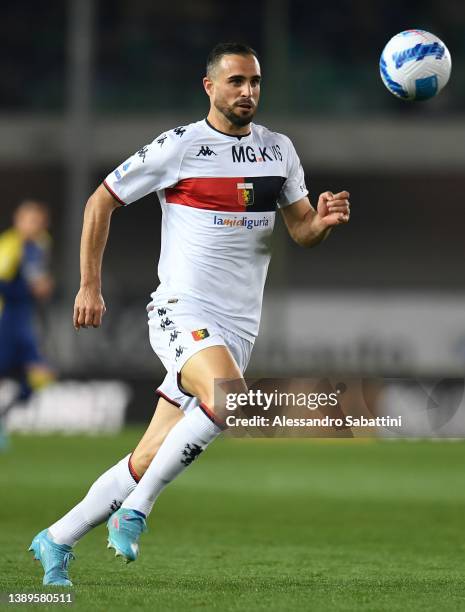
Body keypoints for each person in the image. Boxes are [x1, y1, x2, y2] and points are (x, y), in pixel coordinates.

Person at [29, 42, 350, 586]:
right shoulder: (179, 146)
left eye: (254, 82)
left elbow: (299, 231)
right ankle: (137, 512)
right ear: (210, 87)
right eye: (236, 82)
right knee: (232, 397)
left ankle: (55, 538)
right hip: (182, 309)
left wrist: (318, 223)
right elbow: (100, 201)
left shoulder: (279, 151)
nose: (247, 91)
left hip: (238, 326)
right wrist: (89, 284)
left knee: (147, 454)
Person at [0, 200, 55, 447]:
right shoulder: (10, 245)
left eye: (39, 220)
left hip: (24, 319)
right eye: (30, 220)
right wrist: (29, 288)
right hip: (6, 319)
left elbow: (36, 275)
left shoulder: (41, 243)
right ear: (18, 221)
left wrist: (40, 285)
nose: (36, 225)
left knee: (40, 376)